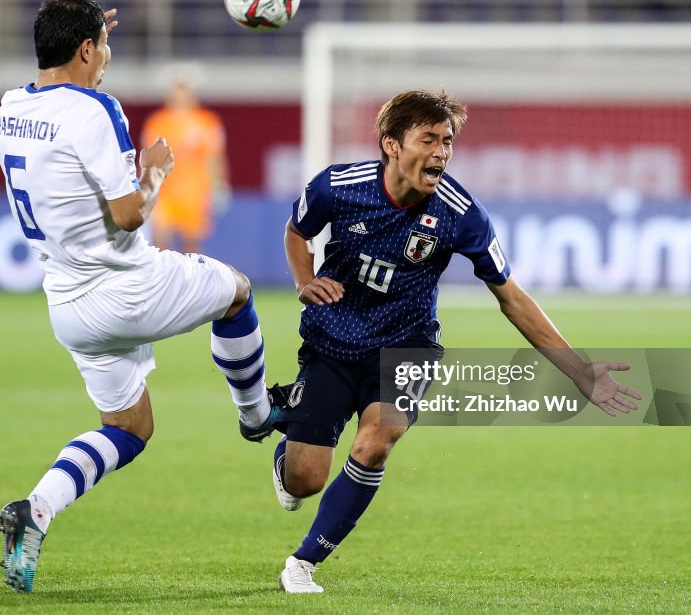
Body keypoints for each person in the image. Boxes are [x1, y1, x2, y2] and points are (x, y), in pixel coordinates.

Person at [270, 90, 643, 593]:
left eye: (447, 141)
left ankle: (303, 562)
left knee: (378, 438)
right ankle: (288, 448)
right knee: (304, 480)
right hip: (333, 341)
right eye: (429, 139)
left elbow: (511, 297)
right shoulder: (338, 186)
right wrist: (303, 279)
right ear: (392, 145)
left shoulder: (460, 213)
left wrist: (580, 371)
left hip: (408, 345)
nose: (442, 152)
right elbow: (297, 230)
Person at [0, 0, 278, 593]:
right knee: (237, 293)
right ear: (87, 49)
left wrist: (84, 33)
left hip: (68, 305)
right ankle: (257, 417)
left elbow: (58, 84)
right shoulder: (97, 110)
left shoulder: (12, 106)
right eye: (103, 48)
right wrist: (154, 168)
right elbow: (127, 214)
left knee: (129, 426)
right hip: (125, 287)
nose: (107, 60)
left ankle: (34, 512)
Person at [140, 69, 229, 253]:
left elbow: (214, 157)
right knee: (159, 242)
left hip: (194, 192)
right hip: (164, 191)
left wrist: (219, 186)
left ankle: (191, 281)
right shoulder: (158, 122)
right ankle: (162, 280)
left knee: (192, 245)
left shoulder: (207, 121)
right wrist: (145, 187)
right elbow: (148, 158)